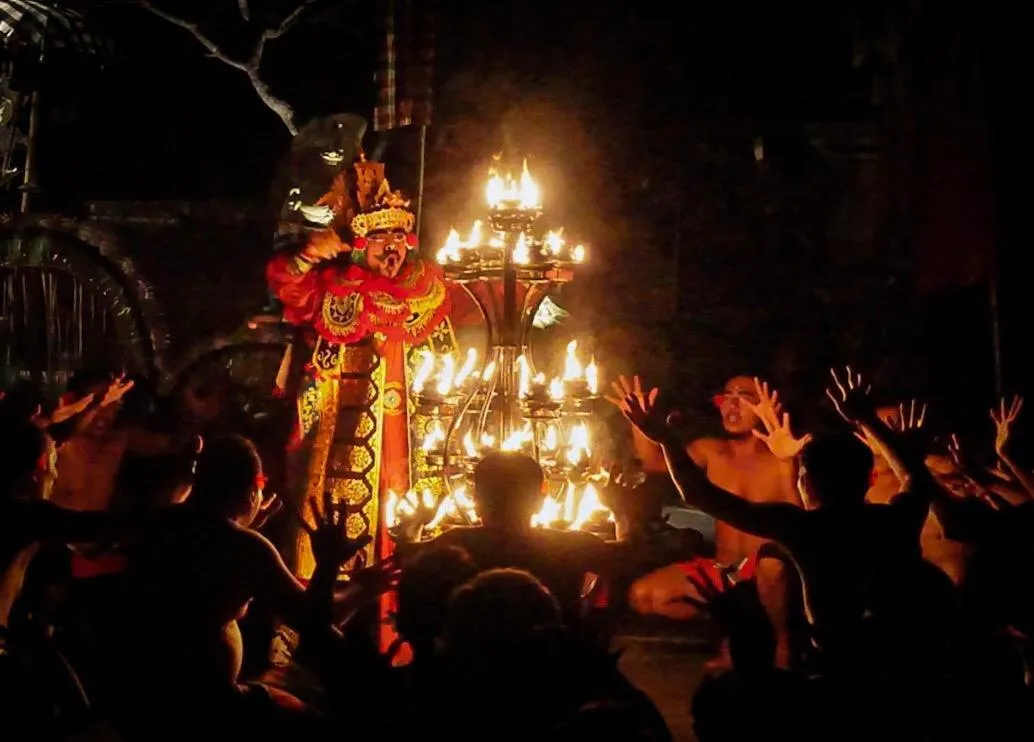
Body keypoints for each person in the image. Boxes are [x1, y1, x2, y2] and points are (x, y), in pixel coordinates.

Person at [620, 367, 944, 673]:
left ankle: (781, 657)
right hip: (893, 657)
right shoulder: (895, 519)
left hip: (835, 662)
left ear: (806, 482)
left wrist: (666, 438)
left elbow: (698, 493)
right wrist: (867, 418)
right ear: (867, 479)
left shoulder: (804, 527)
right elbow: (917, 481)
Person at [104, 435, 365, 738]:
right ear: (250, 491)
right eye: (260, 486)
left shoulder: (161, 520)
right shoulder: (244, 547)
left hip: (135, 687)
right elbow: (315, 622)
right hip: (197, 703)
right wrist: (328, 565)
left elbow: (199, 561)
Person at [610, 374, 808, 667]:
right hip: (724, 572)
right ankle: (738, 631)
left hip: (773, 575)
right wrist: (640, 423)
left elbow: (804, 526)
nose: (732, 403)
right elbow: (654, 463)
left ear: (772, 404)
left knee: (772, 565)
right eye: (726, 395)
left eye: (745, 396)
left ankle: (782, 647)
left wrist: (788, 464)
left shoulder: (789, 454)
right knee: (644, 595)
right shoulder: (711, 450)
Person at [399, 452, 693, 630]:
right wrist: (621, 513)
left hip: (470, 670)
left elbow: (408, 562)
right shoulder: (569, 545)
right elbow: (628, 555)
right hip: (553, 669)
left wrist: (414, 525)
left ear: (476, 500)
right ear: (541, 499)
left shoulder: (454, 543)